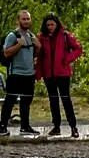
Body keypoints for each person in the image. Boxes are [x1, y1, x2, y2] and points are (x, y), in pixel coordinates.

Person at [34, 13, 82, 137]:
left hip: (62, 73)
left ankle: (73, 127)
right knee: (53, 101)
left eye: (52, 24)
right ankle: (56, 126)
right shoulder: (41, 37)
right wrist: (38, 73)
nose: (50, 27)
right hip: (48, 74)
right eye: (48, 25)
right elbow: (39, 56)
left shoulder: (65, 35)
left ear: (57, 24)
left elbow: (78, 49)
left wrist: (67, 59)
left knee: (66, 100)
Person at [1, 9, 41, 137]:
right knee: (10, 101)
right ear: (18, 20)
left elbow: (34, 54)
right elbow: (6, 53)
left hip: (29, 74)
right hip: (15, 74)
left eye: (28, 19)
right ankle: (2, 127)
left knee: (26, 102)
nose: (26, 21)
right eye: (23, 19)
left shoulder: (31, 35)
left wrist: (38, 47)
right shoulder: (12, 36)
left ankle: (25, 126)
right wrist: (19, 45)